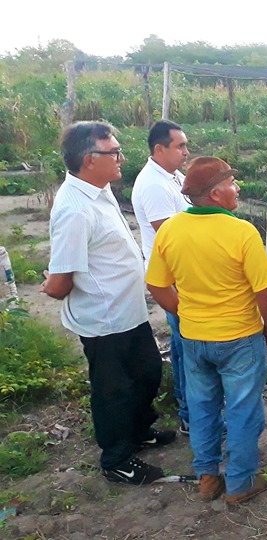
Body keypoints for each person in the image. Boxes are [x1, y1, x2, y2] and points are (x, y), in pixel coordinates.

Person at [146, 156, 267, 505]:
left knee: (203, 407)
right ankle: (239, 484)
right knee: (242, 410)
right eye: (232, 183)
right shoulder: (240, 232)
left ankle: (207, 478)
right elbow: (266, 291)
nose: (237, 189)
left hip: (194, 337)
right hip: (238, 337)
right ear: (217, 193)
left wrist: (188, 312)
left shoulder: (171, 230)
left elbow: (158, 286)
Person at [43, 121, 173, 486]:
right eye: (113, 152)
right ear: (89, 159)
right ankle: (116, 459)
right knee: (114, 391)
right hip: (103, 320)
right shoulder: (74, 209)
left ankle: (139, 432)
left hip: (127, 311)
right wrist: (49, 285)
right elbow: (61, 280)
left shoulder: (99, 191)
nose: (121, 158)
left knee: (147, 374)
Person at [132, 120, 191, 435]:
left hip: (182, 272)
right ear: (159, 149)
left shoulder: (172, 176)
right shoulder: (153, 185)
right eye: (180, 146)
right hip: (173, 276)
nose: (186, 151)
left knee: (187, 341)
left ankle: (191, 407)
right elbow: (170, 236)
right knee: (184, 343)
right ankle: (188, 413)